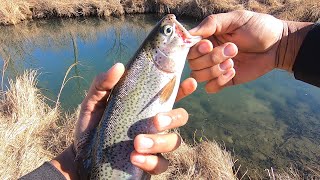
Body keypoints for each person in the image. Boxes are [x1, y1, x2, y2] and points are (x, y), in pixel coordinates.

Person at [22, 10, 319, 179]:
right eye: (168, 34)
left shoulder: (165, 72)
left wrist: (285, 44)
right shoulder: (160, 71)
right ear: (155, 55)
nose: (173, 25)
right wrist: (77, 162)